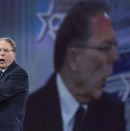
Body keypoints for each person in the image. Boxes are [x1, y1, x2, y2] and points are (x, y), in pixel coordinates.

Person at [24, 1, 126, 131]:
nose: (115, 56)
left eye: (114, 45)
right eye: (106, 47)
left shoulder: (113, 113)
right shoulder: (24, 115)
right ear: (73, 58)